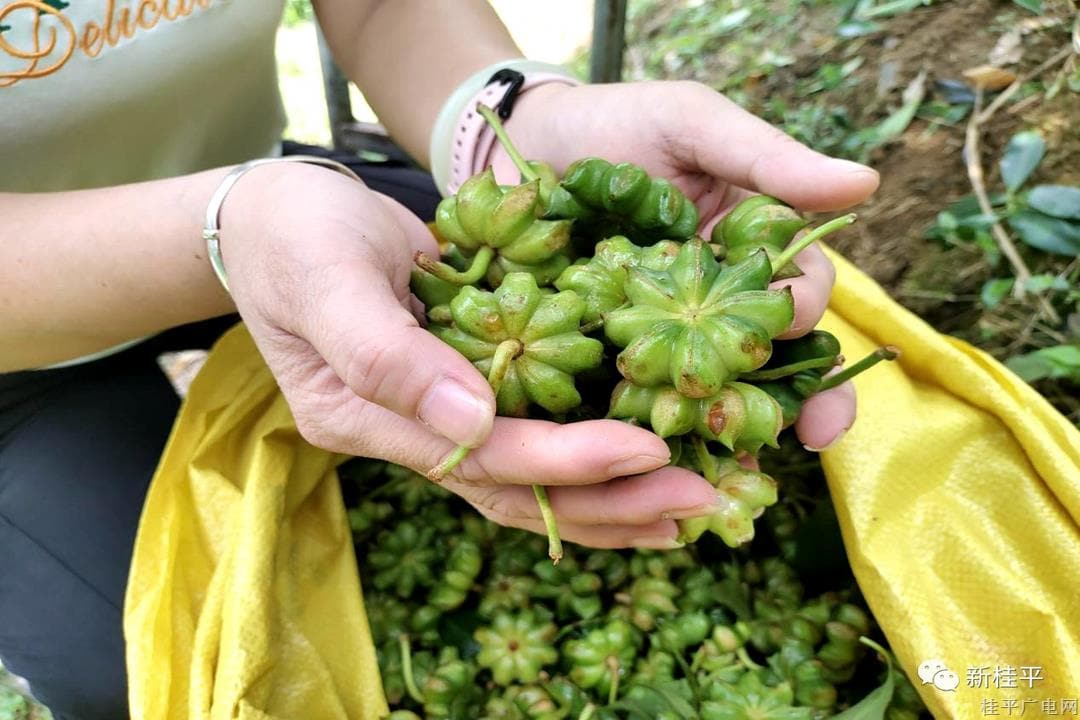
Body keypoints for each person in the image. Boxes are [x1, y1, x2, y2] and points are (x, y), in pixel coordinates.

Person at [0, 1, 878, 718]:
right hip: (21, 362)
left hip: (271, 195)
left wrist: (512, 120)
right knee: (130, 664)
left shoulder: (522, 278)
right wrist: (228, 228)